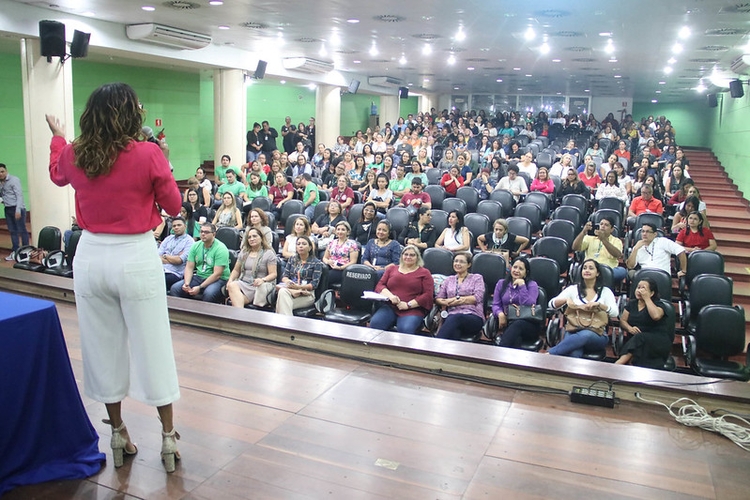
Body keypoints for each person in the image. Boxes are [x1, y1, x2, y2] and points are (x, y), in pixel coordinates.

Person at [45, 83, 181, 473]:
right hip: (135, 254)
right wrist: (164, 163)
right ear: (129, 113)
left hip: (88, 256)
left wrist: (57, 138)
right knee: (152, 344)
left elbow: (57, 174)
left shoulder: (75, 152)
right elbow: (173, 205)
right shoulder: (148, 152)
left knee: (101, 346)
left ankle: (118, 433)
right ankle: (168, 439)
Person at [548, 259, 619, 357]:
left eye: (591, 268)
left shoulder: (605, 291)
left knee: (585, 334)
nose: (587, 270)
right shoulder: (573, 289)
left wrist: (599, 305)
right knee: (574, 351)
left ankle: (550, 354)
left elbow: (615, 313)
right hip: (574, 329)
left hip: (597, 334)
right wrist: (565, 300)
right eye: (584, 268)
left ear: (597, 273)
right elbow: (551, 304)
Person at [370, 245, 434, 334]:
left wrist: (408, 305)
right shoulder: (391, 269)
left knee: (405, 329)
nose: (408, 257)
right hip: (391, 306)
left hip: (413, 309)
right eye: (406, 254)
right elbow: (380, 285)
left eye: (412, 255)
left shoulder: (424, 273)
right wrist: (391, 296)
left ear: (417, 257)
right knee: (375, 323)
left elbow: (427, 295)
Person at [615, 277, 673, 368]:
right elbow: (623, 321)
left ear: (652, 293)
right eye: (638, 287)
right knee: (638, 340)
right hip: (638, 342)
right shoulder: (632, 304)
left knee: (639, 337)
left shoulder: (659, 304)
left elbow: (656, 316)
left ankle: (618, 365)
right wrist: (629, 328)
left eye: (643, 288)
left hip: (657, 342)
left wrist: (647, 299)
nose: (639, 290)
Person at [170, 222, 230, 303]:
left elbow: (217, 274)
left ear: (214, 234)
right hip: (199, 277)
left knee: (209, 294)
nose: (203, 234)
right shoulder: (195, 246)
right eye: (201, 231)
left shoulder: (221, 248)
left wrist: (200, 287)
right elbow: (189, 267)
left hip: (218, 280)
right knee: (175, 288)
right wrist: (187, 283)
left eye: (206, 232)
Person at [435, 252, 486, 340]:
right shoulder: (449, 280)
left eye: (462, 262)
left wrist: (456, 300)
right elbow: (438, 298)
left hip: (473, 316)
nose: (458, 264)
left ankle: (436, 346)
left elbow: (477, 297)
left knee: (455, 318)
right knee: (454, 331)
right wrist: (446, 302)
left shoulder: (477, 278)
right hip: (452, 317)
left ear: (469, 264)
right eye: (456, 261)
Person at [491, 257, 540, 348]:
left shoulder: (532, 285)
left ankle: (499, 353)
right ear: (511, 268)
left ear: (526, 272)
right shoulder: (501, 283)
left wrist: (522, 286)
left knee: (518, 325)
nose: (516, 270)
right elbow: (495, 304)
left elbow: (529, 304)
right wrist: (500, 314)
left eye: (521, 269)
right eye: (515, 267)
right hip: (508, 322)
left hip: (529, 324)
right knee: (516, 339)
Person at [226, 227, 277, 308]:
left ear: (261, 238)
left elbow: (273, 274)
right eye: (249, 237)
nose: (252, 239)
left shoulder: (269, 253)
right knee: (232, 285)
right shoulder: (244, 252)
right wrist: (230, 280)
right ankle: (239, 318)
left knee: (236, 300)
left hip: (257, 286)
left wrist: (263, 280)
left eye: (254, 236)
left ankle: (237, 318)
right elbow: (236, 270)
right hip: (243, 283)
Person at [275, 235, 324, 315]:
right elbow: (284, 276)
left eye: (304, 244)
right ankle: (287, 326)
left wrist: (299, 287)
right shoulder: (292, 259)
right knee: (283, 295)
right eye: (298, 244)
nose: (301, 246)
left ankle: (282, 326)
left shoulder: (317, 263)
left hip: (307, 294)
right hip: (291, 291)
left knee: (282, 298)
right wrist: (289, 282)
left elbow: (314, 285)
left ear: (310, 248)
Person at [573, 217, 626, 282]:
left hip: (607, 269)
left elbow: (617, 255)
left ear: (612, 229)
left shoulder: (616, 241)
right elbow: (575, 247)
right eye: (601, 224)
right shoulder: (589, 237)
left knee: (622, 271)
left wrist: (603, 239)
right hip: (589, 267)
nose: (603, 226)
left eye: (606, 225)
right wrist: (583, 232)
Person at [0, 163, 29, 260]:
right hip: (8, 209)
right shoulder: (0, 182)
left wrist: (18, 210)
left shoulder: (14, 180)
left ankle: (26, 251)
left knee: (22, 230)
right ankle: (15, 251)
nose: (1, 174)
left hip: (17, 208)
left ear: (6, 171)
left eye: (2, 171)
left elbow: (19, 195)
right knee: (12, 231)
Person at [158, 216, 194, 291]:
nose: (176, 227)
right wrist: (172, 258)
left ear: (185, 226)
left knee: (158, 280)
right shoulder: (168, 238)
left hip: (175, 273)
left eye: (179, 225)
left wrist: (164, 256)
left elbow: (179, 260)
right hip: (160, 269)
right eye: (174, 226)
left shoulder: (190, 241)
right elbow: (157, 256)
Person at [321, 221, 359, 286]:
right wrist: (328, 262)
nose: (340, 232)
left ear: (348, 232)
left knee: (326, 277)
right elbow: (325, 258)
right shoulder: (332, 242)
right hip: (330, 265)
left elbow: (353, 262)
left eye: (343, 230)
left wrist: (340, 267)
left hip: (343, 269)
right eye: (338, 229)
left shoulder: (352, 244)